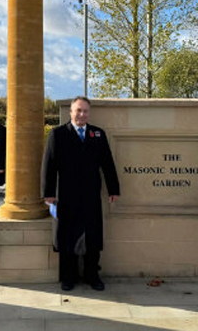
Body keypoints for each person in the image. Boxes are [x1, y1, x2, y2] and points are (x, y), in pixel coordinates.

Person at [42, 96, 120, 291]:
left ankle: (92, 275)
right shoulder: (57, 134)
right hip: (67, 195)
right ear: (71, 112)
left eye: (85, 111)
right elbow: (48, 166)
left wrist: (114, 189)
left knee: (92, 236)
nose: (82, 114)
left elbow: (108, 164)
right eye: (78, 110)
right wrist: (48, 193)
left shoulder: (98, 134)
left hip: (92, 195)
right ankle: (69, 277)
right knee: (68, 236)